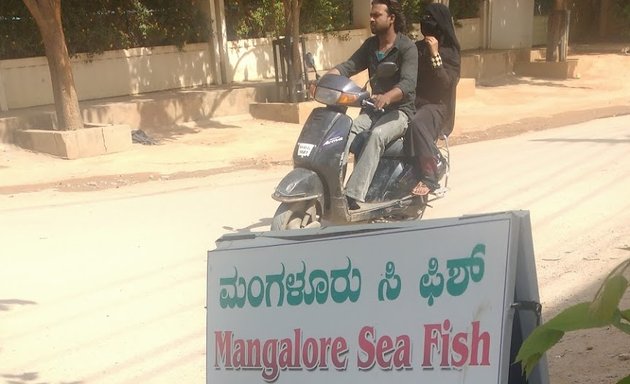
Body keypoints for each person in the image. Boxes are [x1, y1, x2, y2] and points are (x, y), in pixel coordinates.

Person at [326, 0, 418, 210]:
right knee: (344, 133)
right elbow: (348, 66)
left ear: (391, 18)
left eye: (376, 15)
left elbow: (408, 84)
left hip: (400, 113)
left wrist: (387, 96)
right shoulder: (370, 45)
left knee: (376, 136)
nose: (371, 19)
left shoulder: (406, 48)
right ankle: (333, 188)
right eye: (371, 15)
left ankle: (353, 196)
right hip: (373, 109)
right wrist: (326, 78)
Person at [405, 2, 461, 196]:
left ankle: (430, 173)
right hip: (414, 102)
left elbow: (445, 85)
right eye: (424, 18)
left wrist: (434, 54)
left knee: (417, 124)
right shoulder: (416, 48)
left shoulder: (450, 52)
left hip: (438, 106)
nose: (425, 23)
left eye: (431, 20)